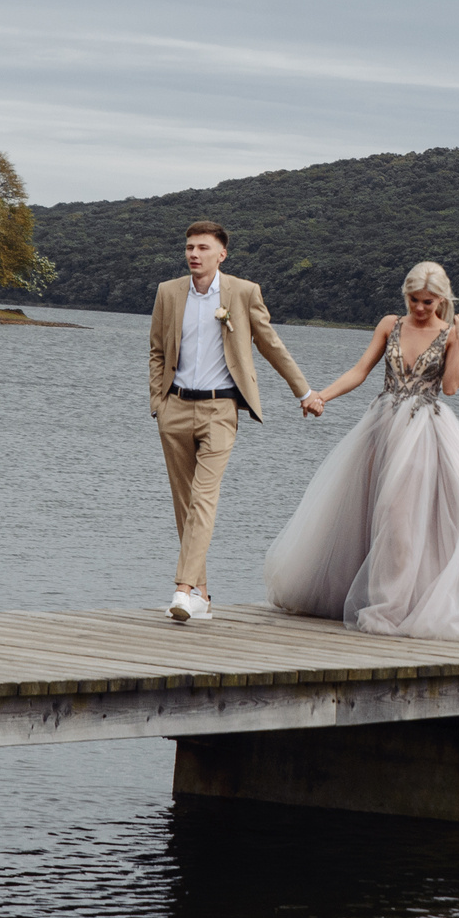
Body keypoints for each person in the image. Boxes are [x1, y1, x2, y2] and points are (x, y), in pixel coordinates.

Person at [264, 261, 459, 642]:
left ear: (442, 300)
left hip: (425, 430)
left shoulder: (449, 333)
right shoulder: (390, 324)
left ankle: (391, 608)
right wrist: (321, 396)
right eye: (414, 299)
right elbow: (361, 370)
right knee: (369, 509)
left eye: (428, 301)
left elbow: (453, 386)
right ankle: (362, 593)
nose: (420, 308)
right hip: (381, 425)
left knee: (401, 514)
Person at [149, 219, 318, 623]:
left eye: (203, 248)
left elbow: (271, 345)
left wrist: (305, 392)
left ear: (221, 254)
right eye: (190, 246)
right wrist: (158, 401)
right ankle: (202, 595)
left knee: (204, 499)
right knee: (184, 503)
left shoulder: (242, 293)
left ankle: (182, 589)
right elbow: (156, 349)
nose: (194, 253)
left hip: (221, 410)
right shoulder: (168, 293)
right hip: (174, 409)